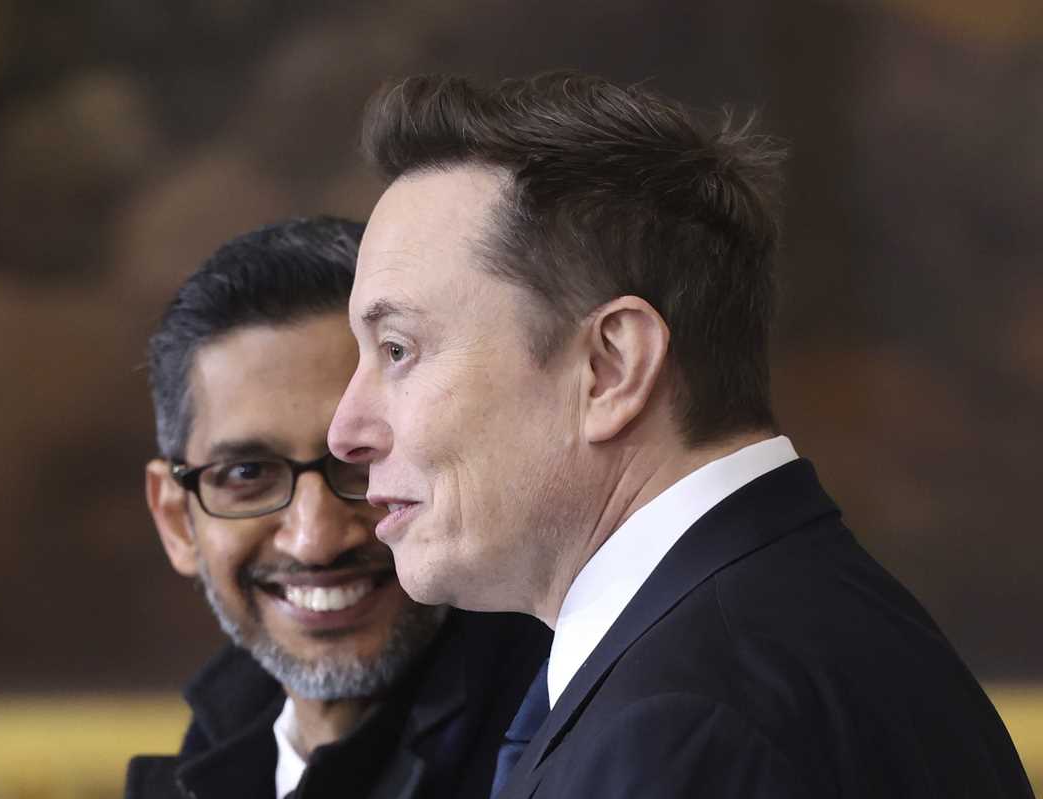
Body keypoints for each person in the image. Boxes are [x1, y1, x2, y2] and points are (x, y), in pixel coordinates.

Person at [327, 74, 1033, 797]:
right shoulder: (812, 621)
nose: (345, 431)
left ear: (612, 367)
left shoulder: (679, 725)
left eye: (398, 350)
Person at [127, 216, 550, 799]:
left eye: (362, 459)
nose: (316, 539)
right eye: (248, 474)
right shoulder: (206, 759)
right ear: (177, 521)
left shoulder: (567, 738)